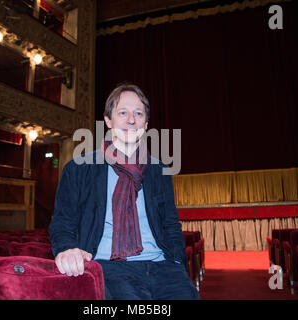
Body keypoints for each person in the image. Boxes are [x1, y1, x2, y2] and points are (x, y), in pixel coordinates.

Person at [49, 83, 200, 300]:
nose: (131, 119)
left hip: (163, 267)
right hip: (107, 268)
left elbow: (170, 224)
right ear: (108, 121)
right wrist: (66, 249)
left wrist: (176, 263)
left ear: (145, 124)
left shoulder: (159, 170)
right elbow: (63, 221)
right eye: (123, 113)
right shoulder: (79, 168)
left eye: (138, 114)